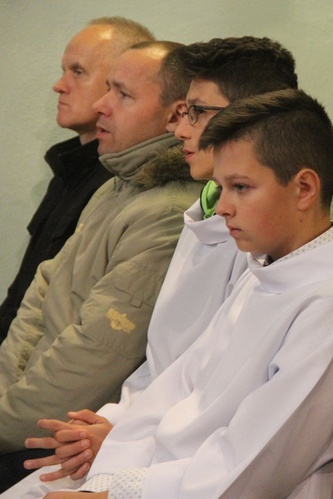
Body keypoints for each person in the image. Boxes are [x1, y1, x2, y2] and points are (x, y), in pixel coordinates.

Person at [24, 89, 333, 498]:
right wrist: (114, 454)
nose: (223, 206)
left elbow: (255, 465)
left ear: (303, 188)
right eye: (220, 187)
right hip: (165, 476)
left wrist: (113, 494)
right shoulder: (265, 270)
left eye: (241, 187)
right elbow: (182, 382)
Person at [14, 36, 299, 488]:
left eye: (196, 112)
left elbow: (234, 426)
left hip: (175, 471)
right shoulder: (200, 216)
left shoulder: (313, 282)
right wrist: (116, 429)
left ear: (252, 120)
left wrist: (122, 447)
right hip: (137, 443)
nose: (180, 128)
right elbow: (168, 368)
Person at [0, 41, 200, 490]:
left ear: (174, 116)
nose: (102, 106)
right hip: (21, 425)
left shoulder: (167, 211)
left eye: (123, 95)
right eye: (107, 89)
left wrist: (4, 422)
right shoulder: (116, 185)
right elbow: (40, 296)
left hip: (59, 448)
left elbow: (93, 355)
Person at [0, 18, 154, 342]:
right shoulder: (68, 173)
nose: (59, 84)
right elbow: (21, 296)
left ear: (117, 83)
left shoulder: (117, 185)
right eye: (63, 70)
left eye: (78, 71)